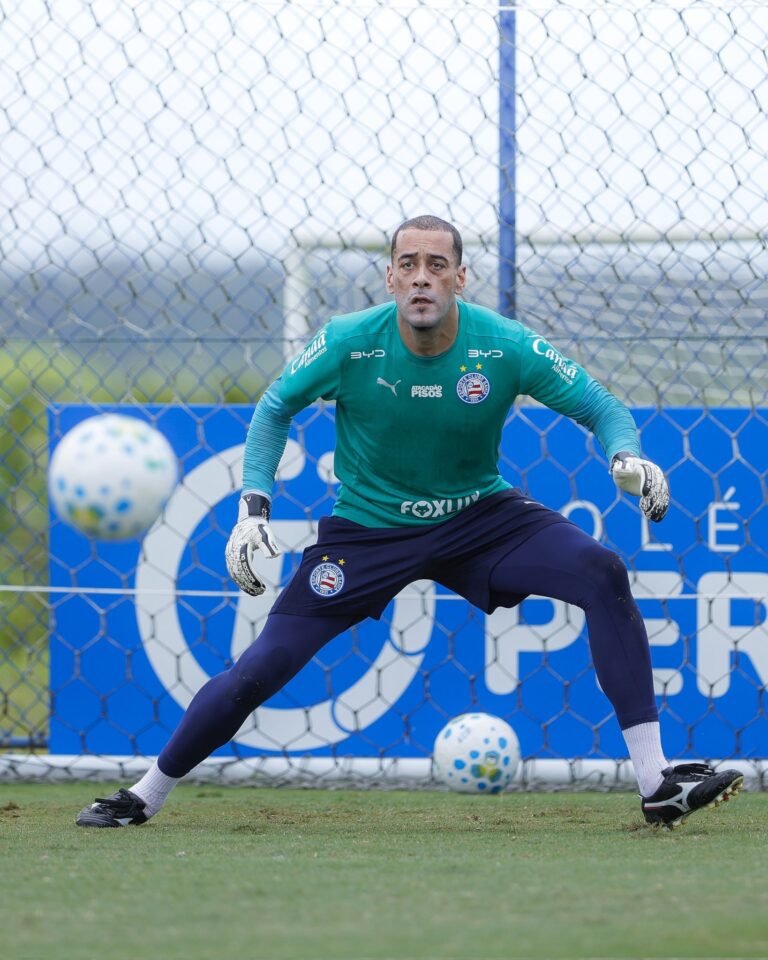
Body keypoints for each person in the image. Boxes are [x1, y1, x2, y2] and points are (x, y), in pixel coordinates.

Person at [76, 215, 743, 830]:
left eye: (436, 263)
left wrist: (626, 456)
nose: (421, 275)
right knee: (265, 666)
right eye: (408, 263)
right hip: (366, 531)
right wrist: (252, 508)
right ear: (391, 278)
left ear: (459, 277)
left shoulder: (503, 345)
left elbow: (600, 403)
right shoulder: (348, 341)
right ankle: (145, 793)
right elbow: (275, 407)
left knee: (601, 571)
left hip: (480, 519)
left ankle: (657, 783)